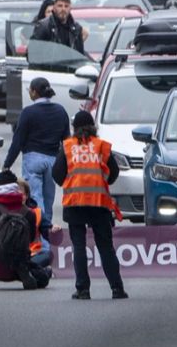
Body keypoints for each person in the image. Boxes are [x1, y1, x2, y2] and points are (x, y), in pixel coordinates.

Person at [52, 110, 127, 300]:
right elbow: (114, 172)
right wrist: (101, 182)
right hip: (99, 203)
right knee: (105, 247)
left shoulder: (68, 147)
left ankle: (83, 289)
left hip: (75, 203)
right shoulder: (100, 146)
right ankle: (117, 288)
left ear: (74, 128)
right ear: (93, 127)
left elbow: (57, 174)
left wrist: (71, 181)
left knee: (79, 246)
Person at [3, 77, 69, 233]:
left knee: (36, 200)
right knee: (48, 199)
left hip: (33, 159)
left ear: (34, 92)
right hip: (53, 161)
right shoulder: (60, 111)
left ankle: (39, 234)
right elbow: (67, 141)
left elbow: (17, 141)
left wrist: (7, 165)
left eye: (30, 91)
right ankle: (48, 232)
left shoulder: (28, 112)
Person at [0, 171, 50, 290]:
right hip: (17, 270)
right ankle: (30, 275)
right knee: (42, 275)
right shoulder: (29, 213)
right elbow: (30, 240)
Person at [17, 177, 59, 269]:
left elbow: (48, 233)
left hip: (33, 255)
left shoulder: (37, 212)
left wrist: (53, 229)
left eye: (22, 194)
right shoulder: (4, 211)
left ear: (27, 196)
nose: (20, 197)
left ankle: (28, 269)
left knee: (50, 255)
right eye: (16, 194)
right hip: (12, 257)